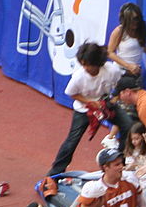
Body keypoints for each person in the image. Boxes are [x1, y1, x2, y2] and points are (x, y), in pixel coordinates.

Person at [46, 42, 123, 176]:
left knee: (127, 127)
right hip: (84, 110)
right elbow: (71, 93)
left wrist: (112, 100)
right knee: (72, 140)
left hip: (106, 106)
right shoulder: (79, 76)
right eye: (83, 64)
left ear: (98, 63)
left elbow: (120, 86)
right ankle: (55, 173)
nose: (85, 67)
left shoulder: (112, 71)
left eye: (88, 64)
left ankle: (123, 169)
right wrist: (91, 103)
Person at [107, 3, 146, 79]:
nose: (135, 22)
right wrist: (128, 66)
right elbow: (110, 53)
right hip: (120, 72)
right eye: (131, 20)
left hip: (136, 73)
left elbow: (141, 46)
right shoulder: (119, 31)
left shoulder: (140, 29)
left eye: (136, 18)